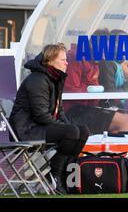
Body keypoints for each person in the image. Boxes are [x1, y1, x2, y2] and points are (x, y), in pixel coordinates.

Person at [9, 43, 90, 194]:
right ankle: (54, 176)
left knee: (82, 131)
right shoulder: (37, 79)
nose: (67, 63)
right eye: (63, 59)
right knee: (71, 132)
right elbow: (40, 115)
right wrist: (66, 128)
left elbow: (59, 112)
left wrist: (68, 127)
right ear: (50, 61)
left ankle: (64, 174)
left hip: (40, 127)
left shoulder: (55, 78)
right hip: (27, 130)